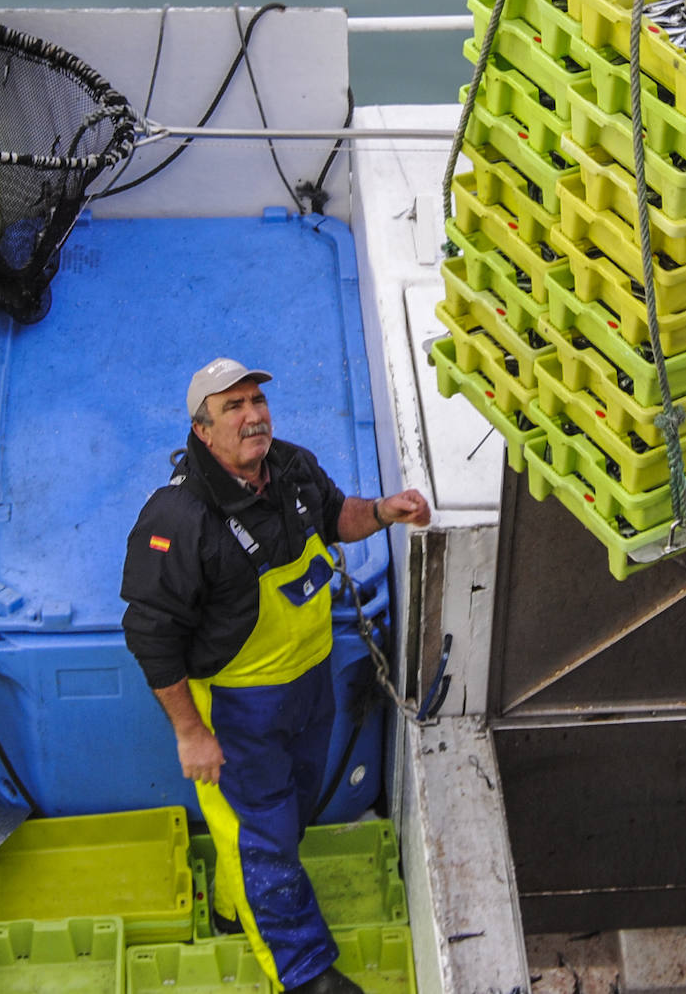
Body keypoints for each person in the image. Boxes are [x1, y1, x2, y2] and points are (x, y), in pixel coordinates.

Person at [120, 357, 431, 994]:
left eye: (256, 400)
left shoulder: (290, 465)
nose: (252, 414)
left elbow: (336, 515)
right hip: (238, 706)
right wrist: (190, 732)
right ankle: (304, 971)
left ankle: (237, 909)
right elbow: (150, 632)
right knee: (262, 834)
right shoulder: (178, 518)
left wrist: (382, 512)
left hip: (310, 682)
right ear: (203, 431)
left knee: (286, 815)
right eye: (232, 407)